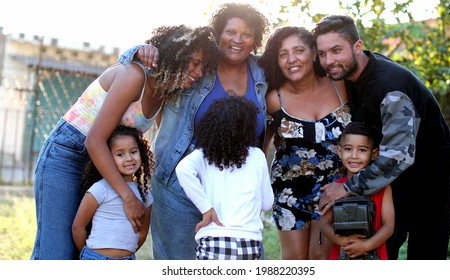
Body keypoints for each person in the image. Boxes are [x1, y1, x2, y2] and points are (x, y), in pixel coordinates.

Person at [30, 25, 219, 259]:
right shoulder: (135, 75)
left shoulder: (165, 94)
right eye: (194, 62)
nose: (198, 72)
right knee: (56, 253)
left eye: (203, 66)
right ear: (174, 55)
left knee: (92, 246)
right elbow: (95, 140)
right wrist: (128, 198)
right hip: (68, 156)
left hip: (102, 167)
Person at [117, 3, 270, 260]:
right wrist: (138, 51)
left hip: (235, 192)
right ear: (218, 32)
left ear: (255, 40)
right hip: (179, 183)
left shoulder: (263, 73)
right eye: (231, 31)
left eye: (247, 34)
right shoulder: (196, 61)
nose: (238, 40)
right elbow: (150, 62)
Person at [313, 15, 450, 260]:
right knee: (380, 251)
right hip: (390, 177)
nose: (329, 61)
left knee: (426, 255)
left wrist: (346, 187)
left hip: (428, 176)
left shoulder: (390, 87)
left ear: (357, 46)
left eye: (336, 50)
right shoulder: (353, 72)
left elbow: (397, 156)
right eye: (323, 53)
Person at [257, 26, 351, 260]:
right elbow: (260, 148)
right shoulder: (274, 99)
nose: (291, 60)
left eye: (298, 50)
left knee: (323, 260)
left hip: (333, 191)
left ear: (313, 53)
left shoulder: (340, 86)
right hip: (290, 192)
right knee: (294, 263)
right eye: (283, 54)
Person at [175, 97, 274, 260]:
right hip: (248, 244)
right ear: (248, 127)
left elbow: (182, 169)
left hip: (213, 242)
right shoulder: (257, 155)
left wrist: (206, 207)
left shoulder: (204, 155)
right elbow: (267, 203)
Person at [72, 125, 154, 260]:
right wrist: (87, 255)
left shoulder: (145, 194)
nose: (129, 158)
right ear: (108, 158)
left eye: (133, 152)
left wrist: (126, 254)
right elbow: (78, 227)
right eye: (120, 154)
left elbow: (143, 232)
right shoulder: (100, 189)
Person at [320, 121, 394, 260]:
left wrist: (366, 245)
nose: (354, 155)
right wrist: (342, 241)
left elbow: (389, 226)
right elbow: (324, 225)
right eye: (348, 149)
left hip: (373, 255)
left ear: (374, 154)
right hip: (342, 255)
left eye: (362, 150)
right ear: (339, 151)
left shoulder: (383, 188)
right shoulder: (333, 189)